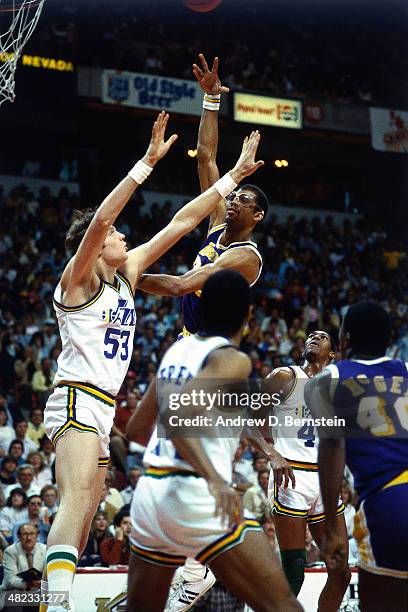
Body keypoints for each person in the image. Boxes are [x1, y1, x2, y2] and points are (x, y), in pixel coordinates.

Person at [43, 113, 263, 612]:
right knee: (76, 500)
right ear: (98, 247)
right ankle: (52, 604)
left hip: (102, 407)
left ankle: (46, 595)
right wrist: (145, 163)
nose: (123, 237)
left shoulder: (129, 271)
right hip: (76, 399)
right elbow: (101, 221)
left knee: (82, 517)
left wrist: (235, 176)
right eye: (117, 236)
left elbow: (182, 221)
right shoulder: (78, 280)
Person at [138, 54, 268, 612]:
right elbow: (209, 156)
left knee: (200, 456)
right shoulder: (217, 224)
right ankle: (193, 565)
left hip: (215, 352)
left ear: (257, 215)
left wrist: (128, 275)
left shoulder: (245, 255)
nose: (233, 197)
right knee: (175, 452)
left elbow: (184, 283)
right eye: (233, 195)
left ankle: (207, 563)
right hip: (188, 347)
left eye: (243, 198)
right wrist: (212, 99)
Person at [126, 270, 301, 612]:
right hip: (195, 496)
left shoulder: (177, 350)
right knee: (284, 607)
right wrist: (215, 478)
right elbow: (174, 418)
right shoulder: (232, 359)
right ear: (249, 316)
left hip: (150, 497)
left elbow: (136, 428)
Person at [305, 303, 408, 612]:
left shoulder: (325, 380)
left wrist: (334, 528)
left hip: (390, 503)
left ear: (344, 339)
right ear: (389, 340)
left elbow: (332, 445)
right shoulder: (404, 370)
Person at [264, 330, 350, 610]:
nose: (314, 337)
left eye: (322, 337)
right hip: (291, 477)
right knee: (294, 570)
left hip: (325, 483)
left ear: (333, 353)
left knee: (341, 572)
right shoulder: (285, 376)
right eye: (311, 335)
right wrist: (272, 453)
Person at [1, 523, 46, 611]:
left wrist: (42, 583)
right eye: (25, 534)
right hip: (14, 591)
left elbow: (48, 575)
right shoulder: (10, 551)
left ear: (37, 535)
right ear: (18, 536)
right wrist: (29, 584)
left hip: (38, 591)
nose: (28, 538)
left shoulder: (45, 550)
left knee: (55, 598)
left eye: (32, 534)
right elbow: (11, 580)